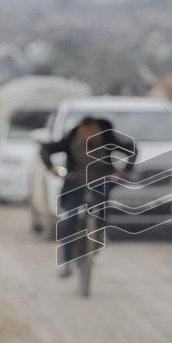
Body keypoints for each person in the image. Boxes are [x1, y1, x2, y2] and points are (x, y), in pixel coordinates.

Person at [40, 117, 137, 275]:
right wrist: (51, 168)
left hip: (101, 180)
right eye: (86, 132)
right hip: (75, 182)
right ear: (79, 130)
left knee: (103, 207)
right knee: (70, 218)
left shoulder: (108, 138)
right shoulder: (70, 140)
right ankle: (68, 261)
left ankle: (99, 233)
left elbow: (132, 149)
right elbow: (45, 149)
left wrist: (125, 170)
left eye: (93, 131)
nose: (90, 135)